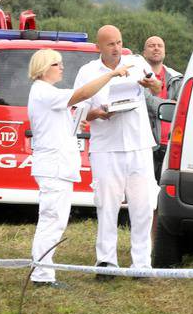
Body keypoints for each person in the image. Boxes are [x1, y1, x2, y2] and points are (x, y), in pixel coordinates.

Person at [27, 48, 127, 288]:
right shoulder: (43, 92)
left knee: (54, 219)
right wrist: (111, 76)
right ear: (43, 68)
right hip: (53, 166)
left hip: (57, 166)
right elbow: (81, 94)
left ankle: (43, 271)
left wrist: (76, 120)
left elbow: (60, 122)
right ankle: (41, 274)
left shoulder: (46, 93)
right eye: (56, 64)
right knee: (52, 219)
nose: (61, 67)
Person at [74, 26, 162, 277]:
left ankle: (142, 265)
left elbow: (156, 88)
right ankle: (106, 262)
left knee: (143, 205)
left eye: (119, 43)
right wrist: (99, 113)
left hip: (139, 144)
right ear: (98, 47)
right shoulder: (88, 71)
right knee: (107, 204)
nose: (116, 48)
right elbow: (80, 109)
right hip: (106, 146)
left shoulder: (135, 62)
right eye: (111, 44)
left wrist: (151, 82)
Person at [142, 35, 182, 177]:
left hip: (171, 145)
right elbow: (144, 101)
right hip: (146, 145)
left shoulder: (177, 78)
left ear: (165, 51)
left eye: (160, 45)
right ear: (144, 53)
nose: (156, 48)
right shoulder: (139, 76)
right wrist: (169, 106)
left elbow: (181, 107)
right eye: (151, 45)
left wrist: (171, 106)